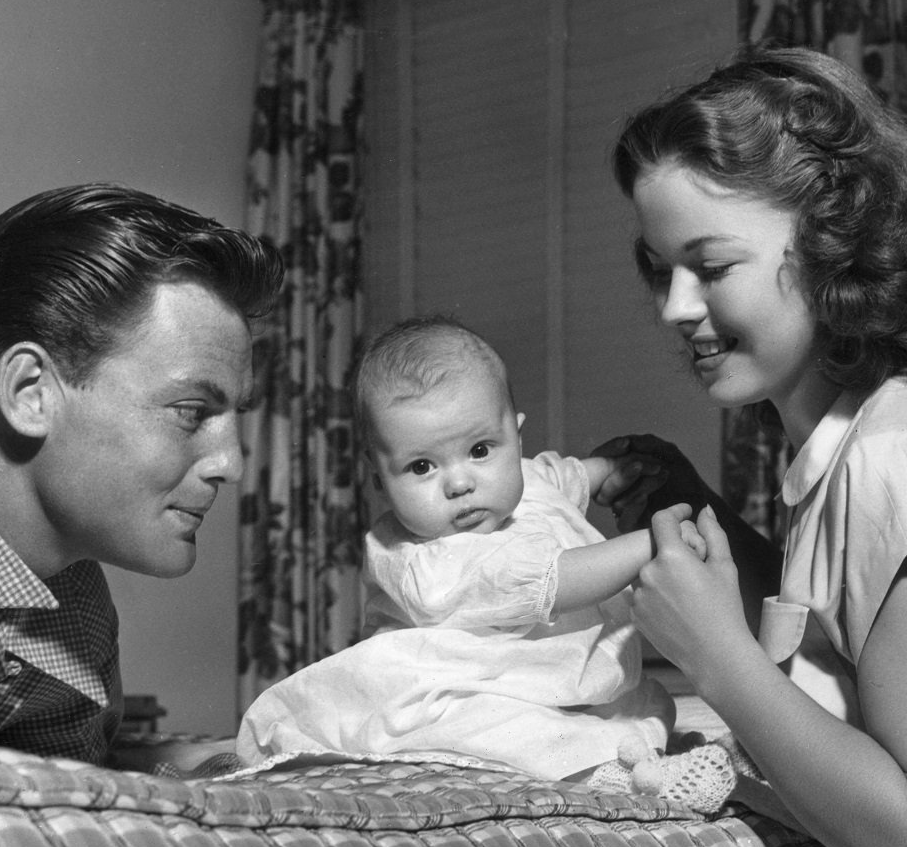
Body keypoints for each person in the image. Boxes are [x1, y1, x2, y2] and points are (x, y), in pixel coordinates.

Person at [594, 45, 907, 847]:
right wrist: (692, 510)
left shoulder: (899, 457)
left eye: (711, 267)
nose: (675, 309)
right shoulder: (861, 439)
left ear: (835, 244)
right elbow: (853, 657)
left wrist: (717, 655)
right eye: (659, 269)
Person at [0, 182, 283, 766]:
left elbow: (56, 788)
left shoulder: (70, 592)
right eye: (192, 412)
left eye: (233, 417)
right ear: (29, 393)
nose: (233, 464)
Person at [237, 315, 732, 807]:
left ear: (515, 439)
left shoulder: (519, 481)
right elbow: (557, 581)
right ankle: (613, 778)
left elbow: (559, 477)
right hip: (460, 690)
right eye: (421, 466)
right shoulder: (423, 562)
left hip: (563, 683)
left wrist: (611, 469)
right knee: (501, 731)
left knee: (643, 706)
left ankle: (629, 752)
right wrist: (650, 544)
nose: (459, 482)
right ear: (378, 479)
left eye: (478, 449)